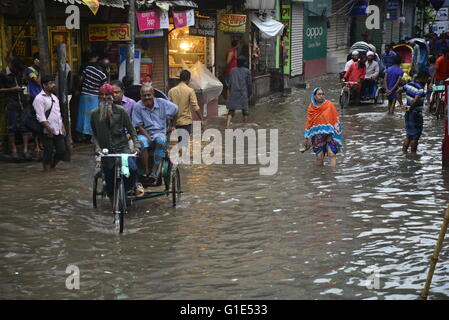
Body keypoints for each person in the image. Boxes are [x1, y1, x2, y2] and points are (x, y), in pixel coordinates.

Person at [91, 83, 144, 200]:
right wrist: (97, 148)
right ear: (99, 97)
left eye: (107, 95)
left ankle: (126, 189)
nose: (104, 97)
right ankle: (114, 208)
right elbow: (94, 135)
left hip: (122, 149)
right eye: (101, 95)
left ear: (111, 96)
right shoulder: (94, 114)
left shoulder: (121, 111)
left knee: (133, 170)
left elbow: (132, 130)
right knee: (109, 182)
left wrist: (136, 146)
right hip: (107, 153)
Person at [132, 84, 178, 181]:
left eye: (149, 95)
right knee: (141, 142)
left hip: (160, 132)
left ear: (153, 94)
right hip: (144, 133)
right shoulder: (137, 106)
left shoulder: (162, 103)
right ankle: (145, 171)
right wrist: (148, 137)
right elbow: (138, 125)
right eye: (144, 95)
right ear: (141, 96)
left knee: (161, 141)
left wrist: (172, 126)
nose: (147, 97)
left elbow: (176, 110)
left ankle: (154, 170)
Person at [33, 75, 67, 172]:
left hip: (57, 129)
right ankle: (46, 173)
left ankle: (52, 167)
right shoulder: (39, 98)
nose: (53, 85)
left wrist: (62, 127)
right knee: (48, 152)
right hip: (46, 130)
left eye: (53, 83)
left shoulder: (54, 97)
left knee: (62, 151)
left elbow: (58, 114)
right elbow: (40, 116)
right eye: (51, 83)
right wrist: (48, 128)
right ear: (44, 85)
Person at [0, 57, 31, 161]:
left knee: (24, 126)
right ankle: (14, 151)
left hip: (22, 103)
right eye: (17, 69)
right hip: (11, 103)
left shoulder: (19, 73)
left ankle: (26, 150)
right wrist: (12, 89)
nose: (18, 71)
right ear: (12, 66)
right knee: (11, 127)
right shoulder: (3, 74)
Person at [303, 87, 342, 167]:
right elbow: (309, 123)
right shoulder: (311, 108)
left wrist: (331, 134)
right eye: (319, 94)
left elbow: (335, 119)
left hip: (331, 134)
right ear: (314, 96)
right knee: (319, 157)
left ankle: (332, 175)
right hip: (317, 135)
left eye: (323, 94)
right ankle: (320, 176)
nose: (321, 96)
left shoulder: (329, 105)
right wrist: (306, 138)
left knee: (332, 154)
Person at [168, 70, 204, 150]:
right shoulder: (190, 90)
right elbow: (196, 107)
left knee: (177, 142)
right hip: (185, 121)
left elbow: (168, 107)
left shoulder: (171, 91)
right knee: (183, 143)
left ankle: (179, 158)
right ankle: (181, 158)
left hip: (174, 122)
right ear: (188, 79)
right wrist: (201, 119)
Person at [75, 53, 108, 142]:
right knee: (92, 116)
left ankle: (80, 136)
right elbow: (103, 88)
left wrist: (77, 89)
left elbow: (80, 79)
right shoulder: (103, 75)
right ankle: (90, 137)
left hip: (84, 94)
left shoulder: (88, 68)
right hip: (94, 96)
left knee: (82, 115)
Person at [396, 70, 430, 154]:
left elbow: (398, 92)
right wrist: (411, 108)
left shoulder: (409, 85)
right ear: (423, 78)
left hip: (408, 114)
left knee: (408, 136)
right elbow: (417, 98)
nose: (428, 80)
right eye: (427, 79)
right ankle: (413, 155)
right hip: (416, 114)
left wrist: (401, 105)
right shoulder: (421, 89)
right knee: (415, 137)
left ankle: (404, 153)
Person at [25, 52, 43, 159]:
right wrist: (40, 71)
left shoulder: (39, 70)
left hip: (41, 97)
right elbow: (37, 81)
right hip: (34, 98)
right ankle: (36, 144)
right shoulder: (30, 70)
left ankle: (40, 143)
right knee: (35, 121)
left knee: (42, 120)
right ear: (35, 60)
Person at [226, 56, 252, 128]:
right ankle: (245, 126)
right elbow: (249, 84)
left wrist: (229, 94)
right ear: (244, 63)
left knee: (231, 110)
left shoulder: (232, 70)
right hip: (243, 93)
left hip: (234, 93)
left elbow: (230, 83)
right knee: (245, 111)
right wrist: (249, 93)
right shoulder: (247, 71)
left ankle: (227, 125)